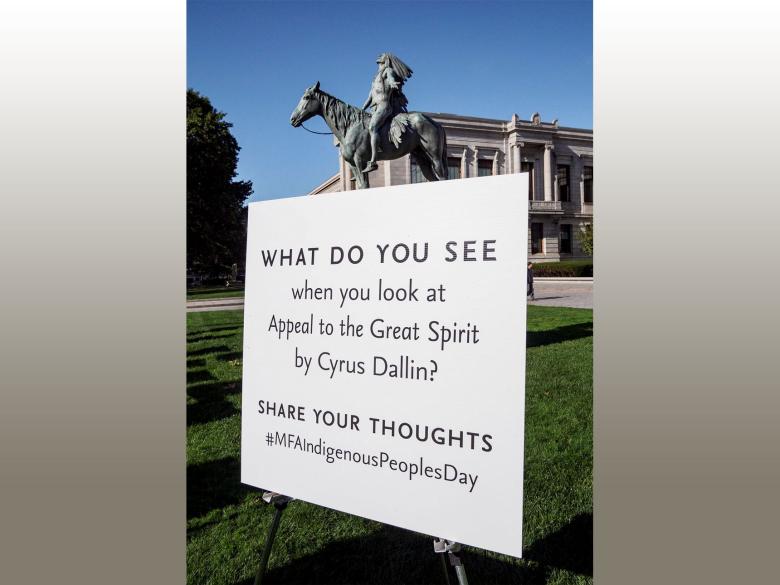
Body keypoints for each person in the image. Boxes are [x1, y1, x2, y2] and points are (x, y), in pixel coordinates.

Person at [361, 53, 413, 173]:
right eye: (378, 63)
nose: (379, 65)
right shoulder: (375, 78)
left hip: (384, 106)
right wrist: (362, 108)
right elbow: (370, 96)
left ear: (386, 62)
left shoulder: (387, 71)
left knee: (372, 127)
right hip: (375, 108)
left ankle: (373, 161)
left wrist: (393, 83)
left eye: (381, 63)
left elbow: (390, 78)